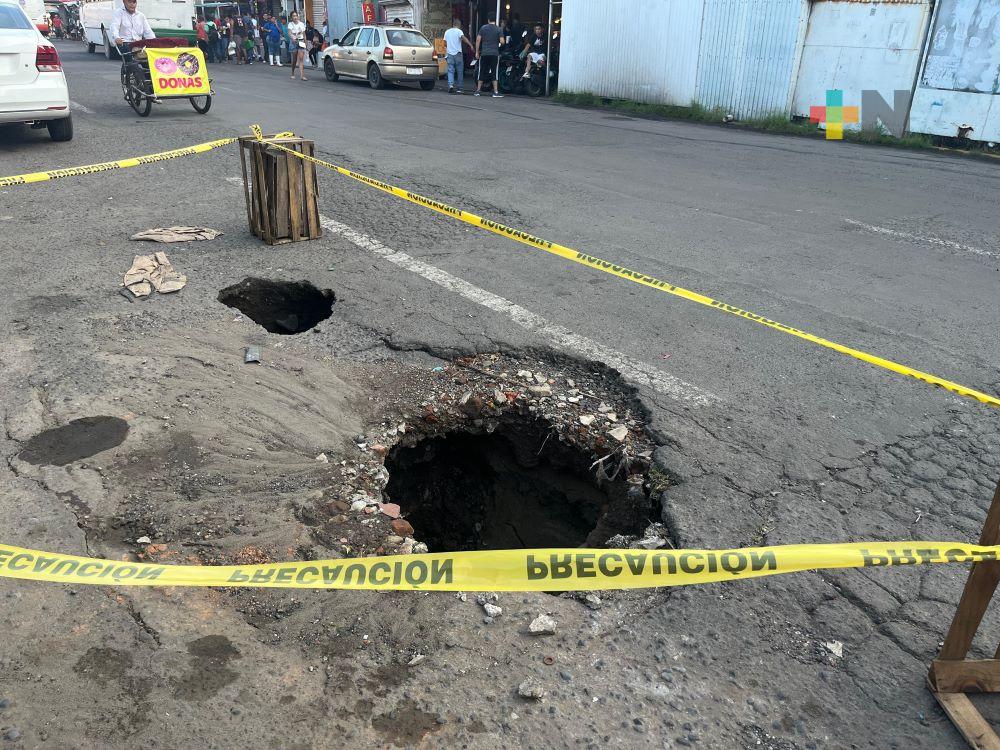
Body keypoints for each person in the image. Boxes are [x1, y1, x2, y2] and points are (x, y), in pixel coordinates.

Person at [474, 12, 502, 98]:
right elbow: (502, 41)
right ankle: (496, 92)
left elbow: (478, 40)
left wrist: (477, 52)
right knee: (494, 72)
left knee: (481, 71)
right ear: (495, 20)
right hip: (494, 54)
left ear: (488, 20)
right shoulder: (498, 29)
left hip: (485, 53)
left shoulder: (483, 28)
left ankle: (478, 91)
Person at [443, 18, 473, 94]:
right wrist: (470, 45)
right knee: (460, 71)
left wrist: (447, 50)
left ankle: (451, 86)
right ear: (459, 25)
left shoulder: (447, 32)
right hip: (458, 54)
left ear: (453, 24)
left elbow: (445, 44)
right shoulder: (459, 31)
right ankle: (459, 88)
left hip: (449, 53)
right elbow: (463, 38)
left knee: (450, 70)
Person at [287, 10, 307, 80]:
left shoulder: (301, 24)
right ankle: (292, 73)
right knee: (294, 59)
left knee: (301, 58)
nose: (295, 17)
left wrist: (305, 43)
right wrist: (292, 38)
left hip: (301, 42)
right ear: (291, 17)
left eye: (296, 16)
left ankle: (302, 76)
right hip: (293, 42)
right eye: (293, 16)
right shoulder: (290, 24)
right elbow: (289, 33)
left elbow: (304, 35)